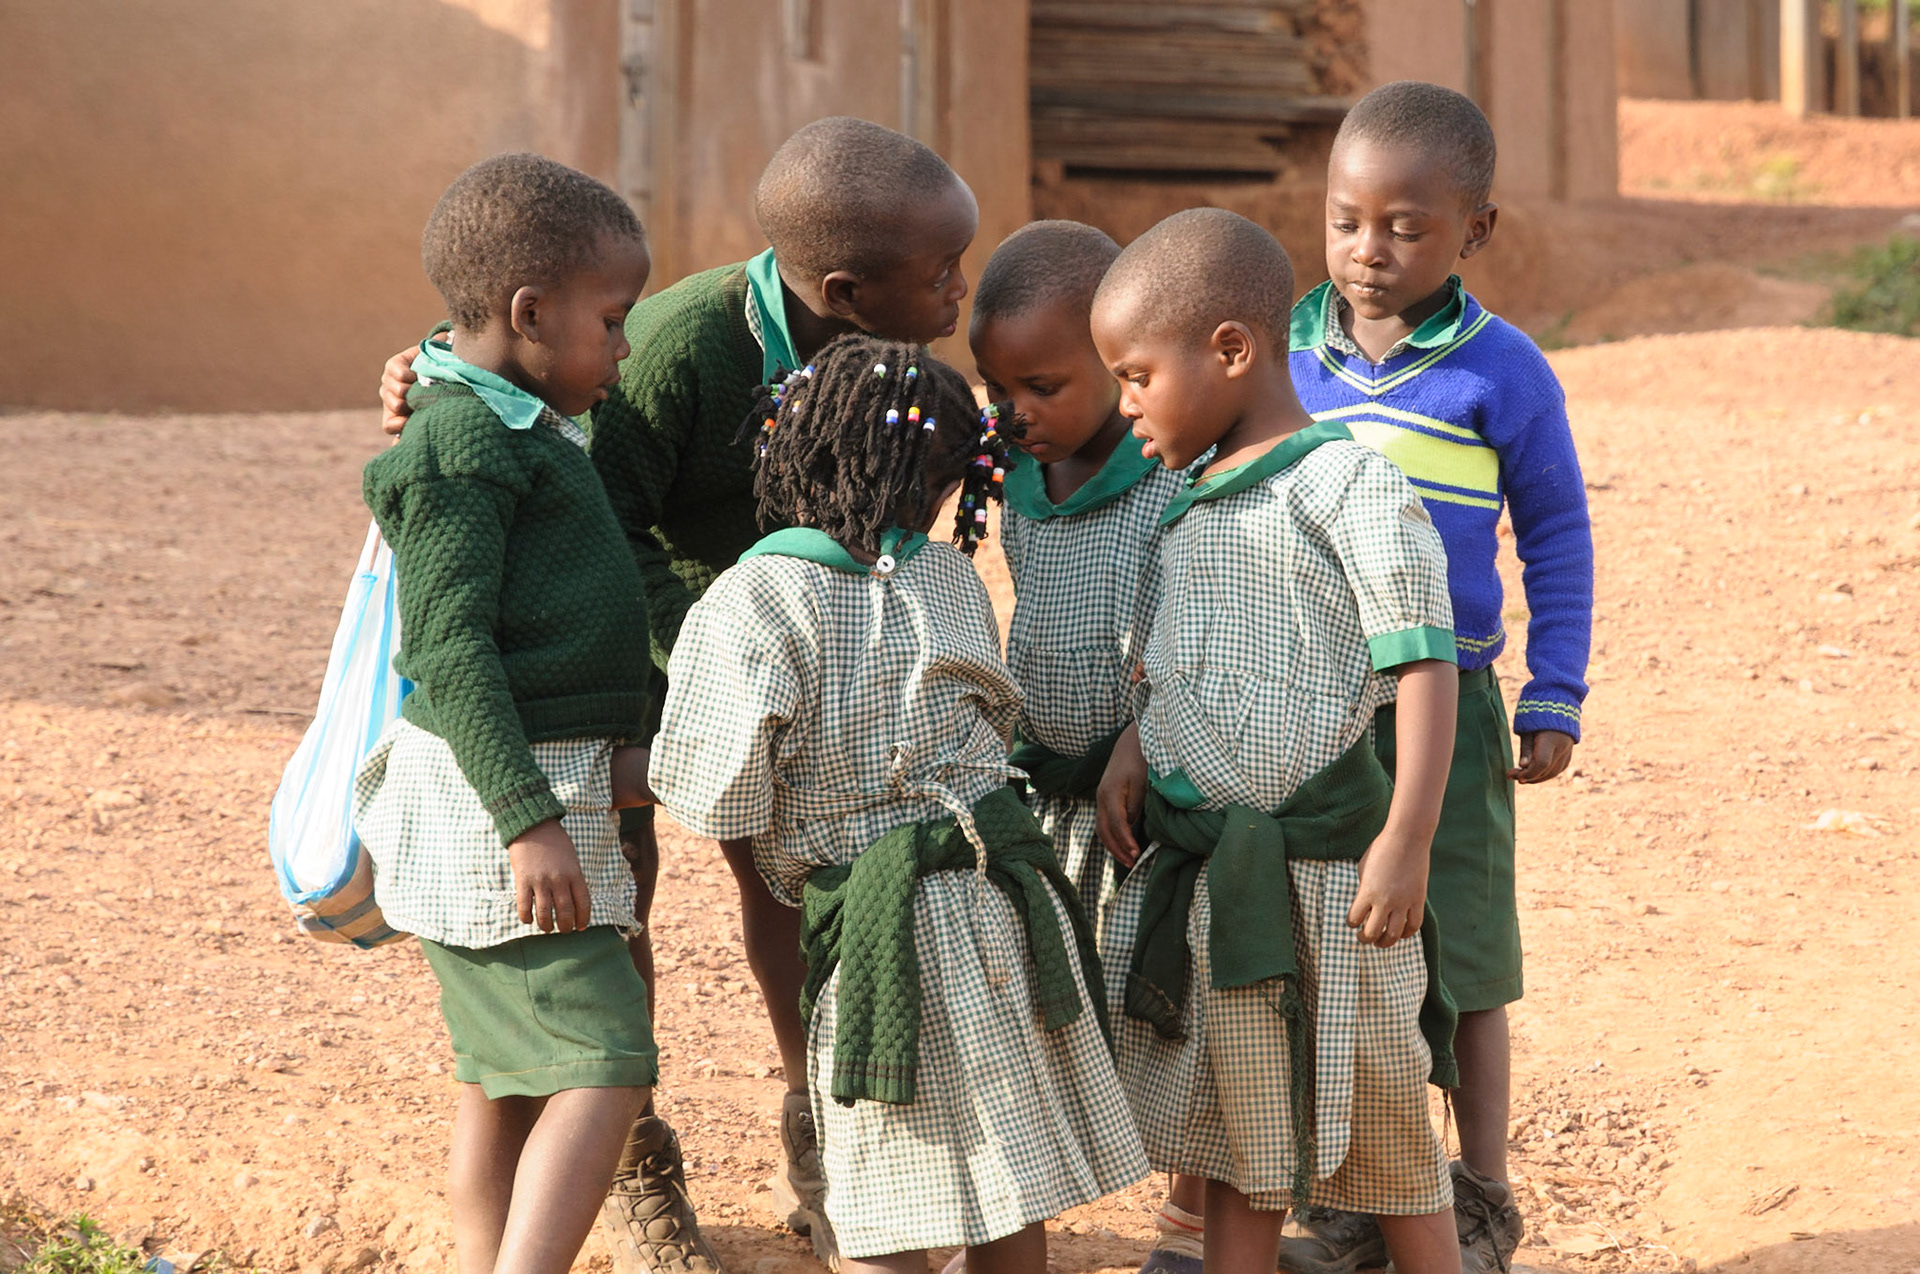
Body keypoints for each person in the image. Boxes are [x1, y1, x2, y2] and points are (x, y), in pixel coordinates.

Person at [376, 117, 979, 1273]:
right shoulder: (679, 345)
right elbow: (591, 510)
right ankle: (631, 1148)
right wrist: (716, 650)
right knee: (615, 892)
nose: (959, 289)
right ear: (846, 290)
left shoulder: (891, 368)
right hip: (655, 657)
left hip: (780, 644)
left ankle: (831, 1134)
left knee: (793, 875)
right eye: (940, 272)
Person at [650, 333, 1148, 1274]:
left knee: (884, 1188)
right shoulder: (947, 576)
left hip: (878, 925)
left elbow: (720, 793)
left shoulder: (753, 596)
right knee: (1008, 1173)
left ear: (793, 449)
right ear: (936, 488)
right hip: (997, 899)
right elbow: (996, 719)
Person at [1088, 207, 1465, 1274]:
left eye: (1135, 376)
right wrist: (1133, 742)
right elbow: (1174, 663)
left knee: (1392, 1136)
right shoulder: (1184, 506)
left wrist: (1408, 838)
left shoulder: (1347, 484)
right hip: (1221, 885)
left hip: (1340, 886)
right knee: (1238, 1143)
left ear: (1230, 350)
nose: (1124, 407)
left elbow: (1425, 660)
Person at [1277, 81, 1594, 1274]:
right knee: (1328, 940)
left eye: (1406, 227)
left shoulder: (1501, 373)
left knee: (1463, 951)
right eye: (1347, 219)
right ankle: (1356, 1195)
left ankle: (1480, 1199)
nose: (1370, 249)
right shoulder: (1281, 352)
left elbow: (1556, 532)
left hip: (1450, 701)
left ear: (1474, 231)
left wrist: (1554, 687)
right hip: (1309, 702)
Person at [351, 153, 660, 1274]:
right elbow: (447, 645)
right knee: (608, 1059)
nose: (626, 351)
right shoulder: (463, 443)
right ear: (530, 313)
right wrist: (529, 819)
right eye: (615, 323)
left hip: (527, 794)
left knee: (502, 1078)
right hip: (502, 813)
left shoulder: (513, 416)